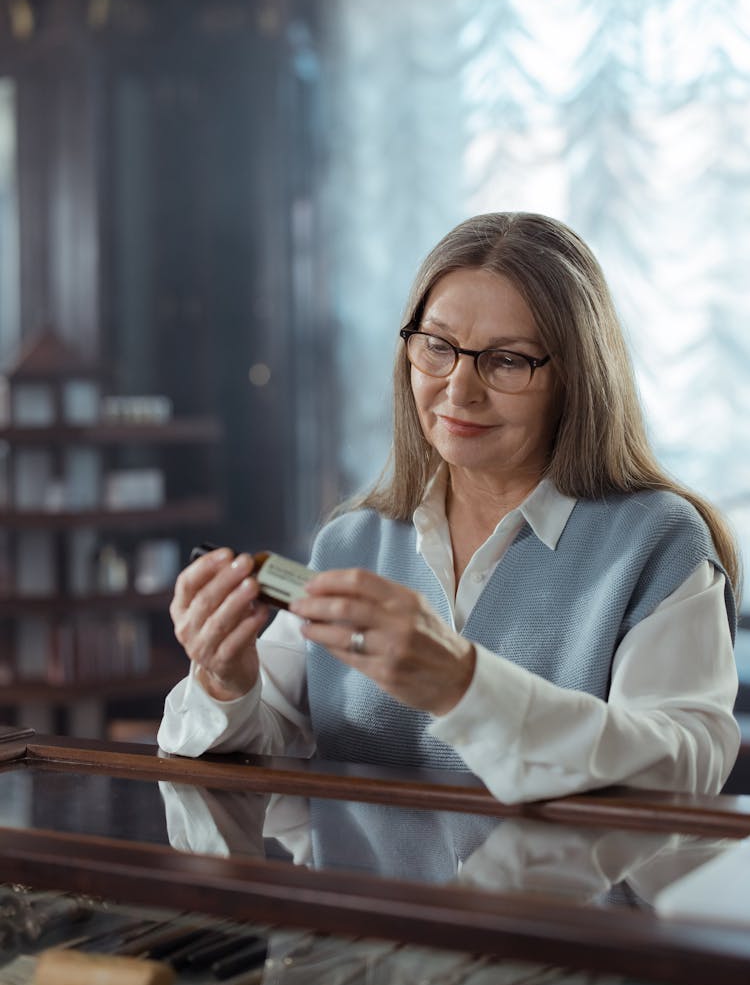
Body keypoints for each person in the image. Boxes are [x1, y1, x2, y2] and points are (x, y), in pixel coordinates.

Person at [158, 211, 741, 804]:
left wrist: (463, 684)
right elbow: (266, 741)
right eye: (437, 347)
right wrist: (225, 681)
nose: (459, 389)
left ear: (577, 378)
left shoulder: (658, 540)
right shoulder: (350, 542)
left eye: (508, 360)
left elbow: (683, 766)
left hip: (564, 900)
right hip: (372, 900)